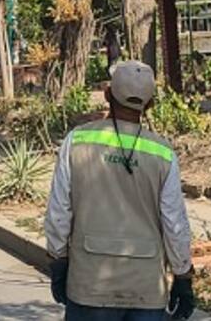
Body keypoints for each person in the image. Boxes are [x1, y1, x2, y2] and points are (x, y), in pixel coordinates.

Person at [44, 60, 195, 320]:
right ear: (149, 105)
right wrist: (182, 275)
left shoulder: (77, 141)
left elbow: (59, 212)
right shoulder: (163, 153)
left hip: (89, 284)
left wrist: (58, 259)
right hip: (146, 288)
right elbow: (174, 222)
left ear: (106, 95)